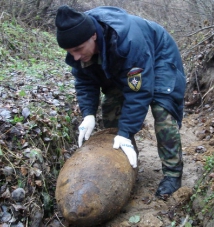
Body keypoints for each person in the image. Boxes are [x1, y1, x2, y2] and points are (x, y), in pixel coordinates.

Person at [55, 5, 186, 198]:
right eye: (69, 51)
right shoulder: (80, 45)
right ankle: (125, 162)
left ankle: (173, 174)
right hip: (120, 63)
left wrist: (125, 132)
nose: (74, 56)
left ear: (93, 36)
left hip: (159, 55)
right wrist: (88, 114)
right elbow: (85, 81)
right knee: (111, 108)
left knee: (162, 111)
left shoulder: (128, 41)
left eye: (77, 50)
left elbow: (139, 91)